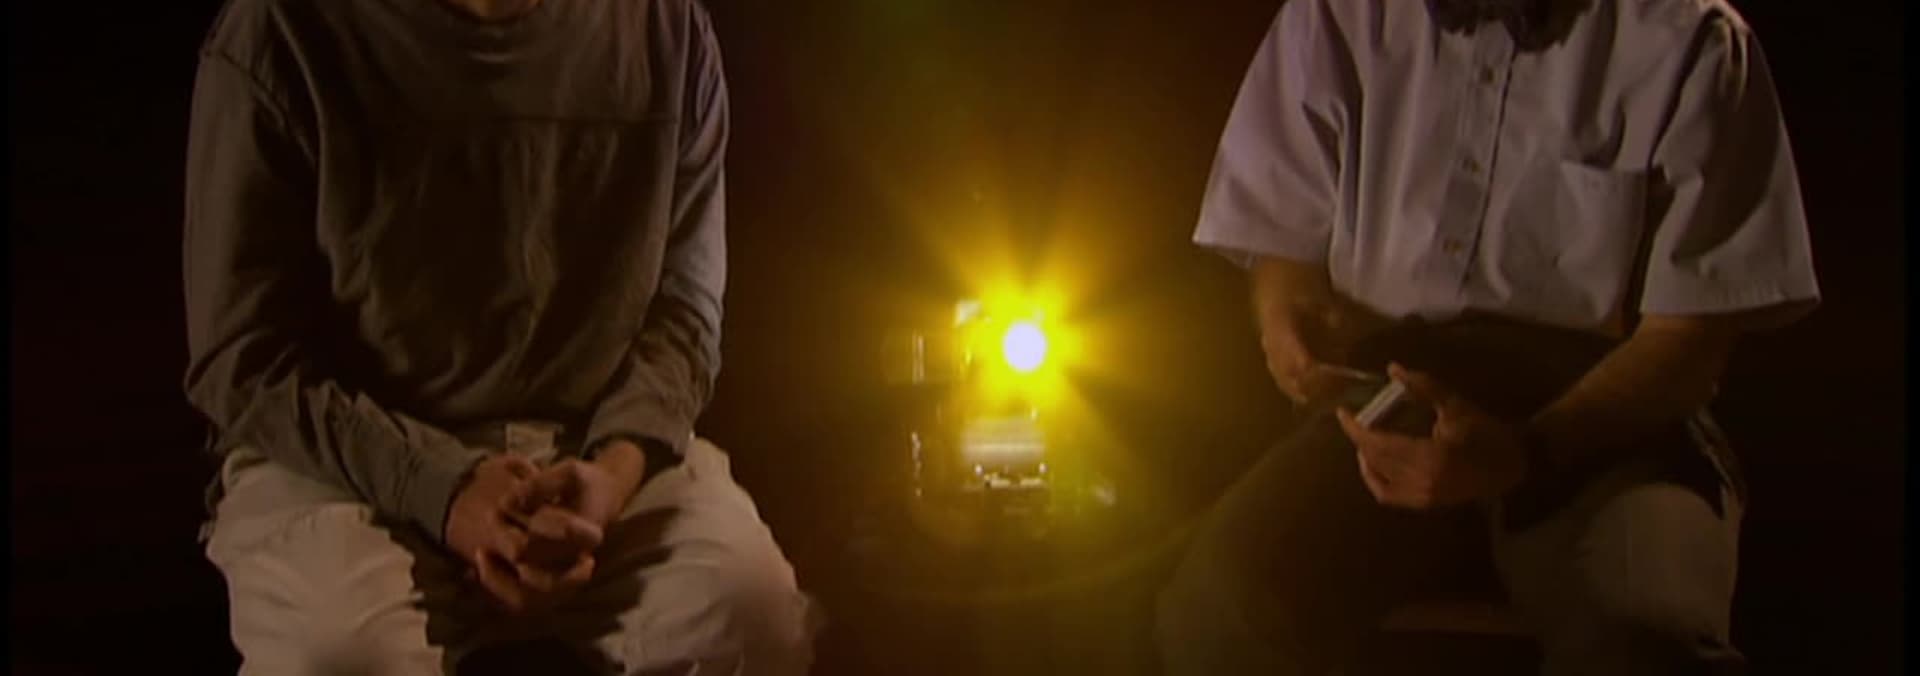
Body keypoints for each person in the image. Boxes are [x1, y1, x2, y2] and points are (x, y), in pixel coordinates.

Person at [1155, 0, 1819, 674]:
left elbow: (1688, 343)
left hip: (1613, 429)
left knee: (1647, 645)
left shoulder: (1693, 38)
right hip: (1394, 403)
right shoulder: (1336, 12)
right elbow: (1283, 239)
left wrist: (1529, 449)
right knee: (1218, 613)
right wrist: (1288, 321)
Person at [182, 0, 817, 672]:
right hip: (346, 465)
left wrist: (612, 475)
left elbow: (685, 317)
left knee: (753, 614)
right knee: (341, 657)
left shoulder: (668, 27)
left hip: (591, 450)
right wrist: (444, 487)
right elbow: (242, 360)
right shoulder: (280, 29)